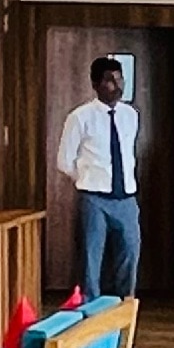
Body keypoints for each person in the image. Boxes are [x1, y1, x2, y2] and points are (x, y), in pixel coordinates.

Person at [58, 56, 146, 299]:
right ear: (96, 84)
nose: (117, 85)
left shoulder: (131, 115)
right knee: (90, 259)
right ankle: (91, 311)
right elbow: (64, 161)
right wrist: (88, 179)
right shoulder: (80, 117)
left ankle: (123, 307)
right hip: (94, 199)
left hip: (126, 199)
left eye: (120, 79)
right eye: (109, 80)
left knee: (129, 253)